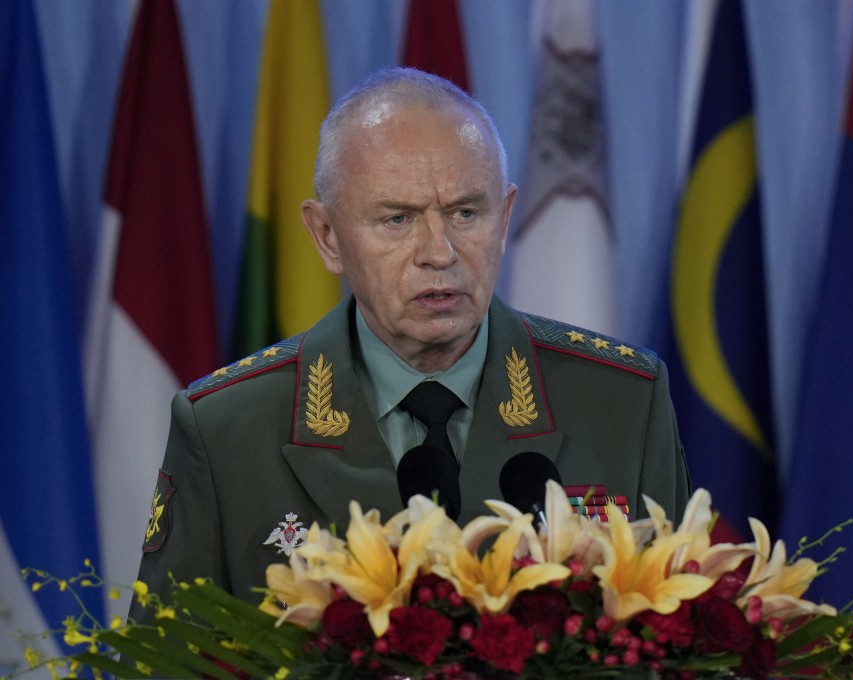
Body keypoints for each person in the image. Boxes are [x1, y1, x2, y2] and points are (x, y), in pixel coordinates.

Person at [130, 67, 690, 613]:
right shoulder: (227, 429)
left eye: (466, 212)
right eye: (397, 219)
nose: (439, 252)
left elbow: (690, 646)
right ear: (326, 236)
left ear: (505, 218)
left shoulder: (623, 401)